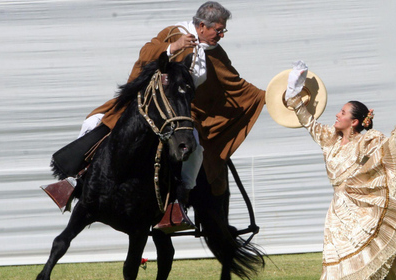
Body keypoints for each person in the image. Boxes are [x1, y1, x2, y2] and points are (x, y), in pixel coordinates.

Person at [285, 65, 396, 280]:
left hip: (362, 204)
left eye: (343, 112)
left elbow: (388, 150)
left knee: (369, 248)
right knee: (338, 250)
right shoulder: (329, 138)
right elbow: (308, 121)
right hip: (338, 206)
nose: (337, 114)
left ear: (355, 121)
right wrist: (293, 94)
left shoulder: (368, 140)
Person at [81, 1, 265, 204]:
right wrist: (173, 47)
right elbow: (146, 52)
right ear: (202, 26)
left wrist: (274, 95)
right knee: (93, 122)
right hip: (149, 105)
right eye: (219, 30)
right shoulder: (174, 33)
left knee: (195, 151)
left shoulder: (216, 52)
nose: (222, 36)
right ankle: (79, 177)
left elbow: (236, 85)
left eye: (223, 31)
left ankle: (181, 197)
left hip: (182, 113)